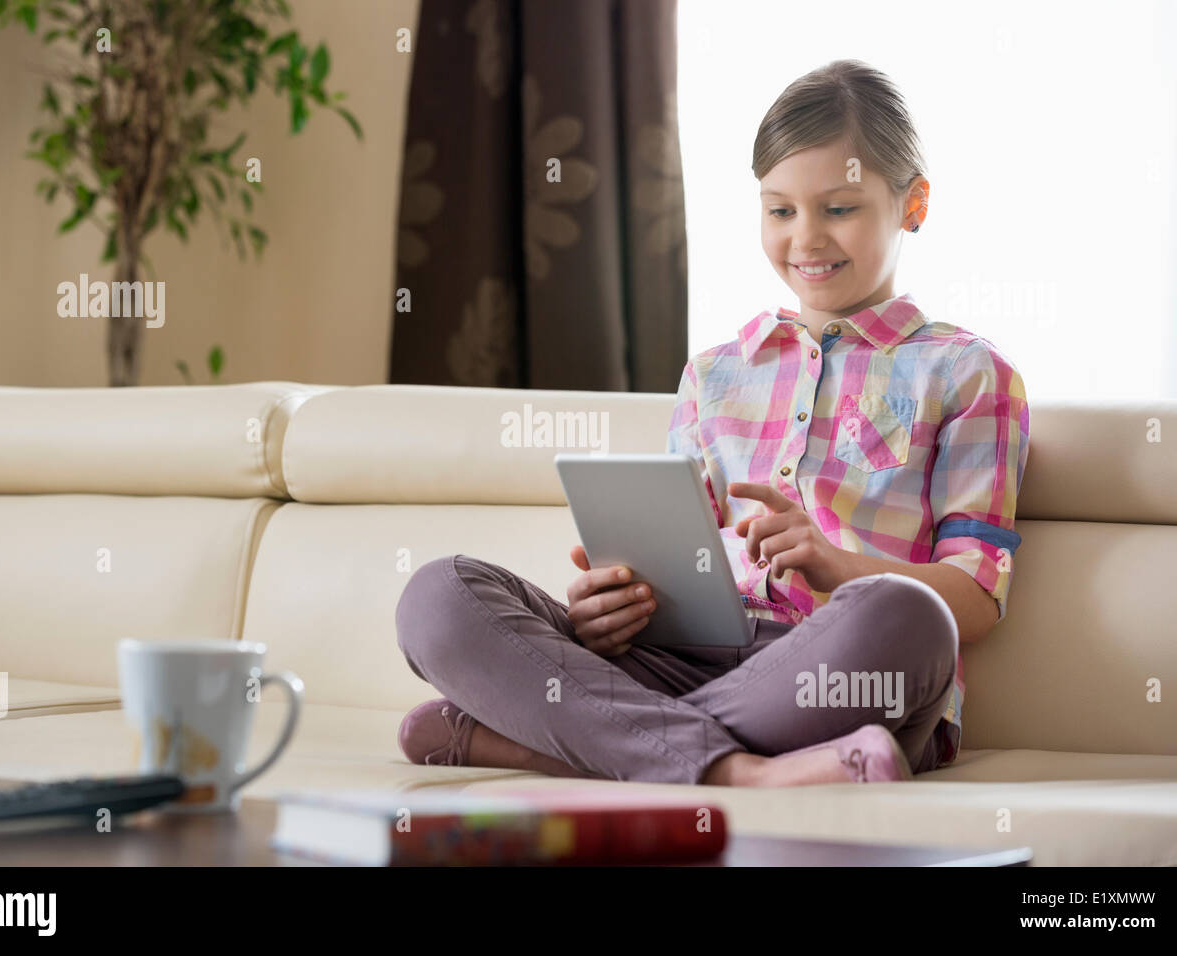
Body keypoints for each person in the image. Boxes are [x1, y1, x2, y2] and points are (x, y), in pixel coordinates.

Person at [394, 59, 1030, 788]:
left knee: (906, 618)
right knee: (438, 596)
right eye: (781, 210)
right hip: (671, 658)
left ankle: (568, 741)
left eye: (840, 208)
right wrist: (611, 606)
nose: (807, 239)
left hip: (833, 671)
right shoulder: (713, 375)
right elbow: (673, 563)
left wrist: (834, 563)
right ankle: (742, 772)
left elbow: (975, 602)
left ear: (912, 204)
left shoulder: (970, 374)